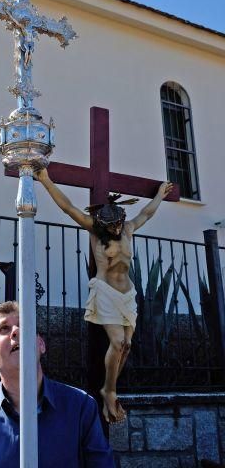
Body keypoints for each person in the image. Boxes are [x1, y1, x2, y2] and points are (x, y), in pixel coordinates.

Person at [36, 168, 173, 423]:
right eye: (112, 225)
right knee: (118, 342)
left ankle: (111, 386)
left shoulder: (128, 229)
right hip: (106, 292)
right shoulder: (94, 230)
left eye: (119, 223)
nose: (117, 228)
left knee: (127, 346)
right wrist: (45, 179)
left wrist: (159, 196)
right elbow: (68, 207)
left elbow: (146, 213)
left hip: (127, 294)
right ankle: (108, 391)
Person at [0, 301, 114, 468]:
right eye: (4, 329)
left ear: (41, 345)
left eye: (23, 325)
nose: (16, 331)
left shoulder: (81, 408)